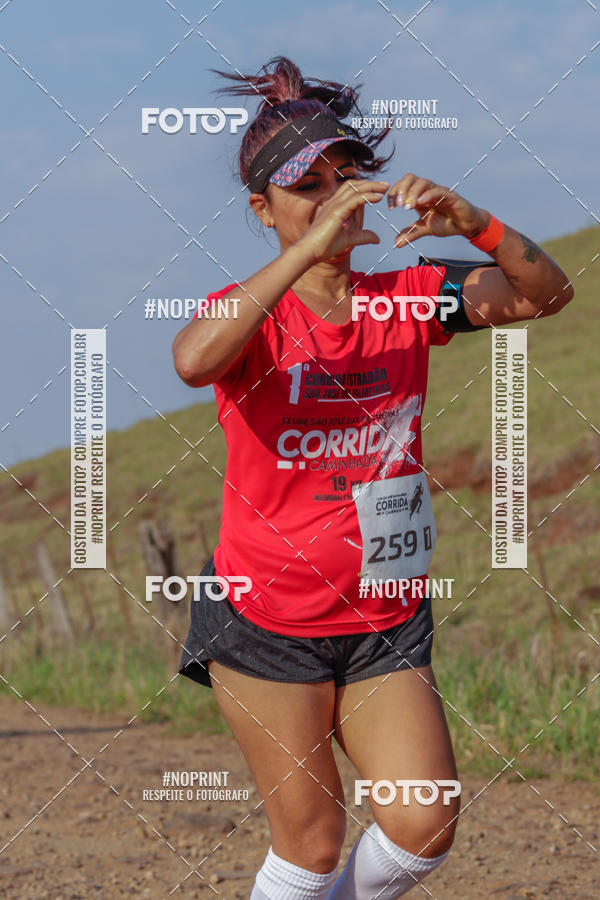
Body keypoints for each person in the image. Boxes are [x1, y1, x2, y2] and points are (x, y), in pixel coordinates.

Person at [173, 56, 573, 900]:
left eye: (344, 174)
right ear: (262, 210)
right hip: (267, 617)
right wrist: (310, 253)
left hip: (383, 610)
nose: (333, 195)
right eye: (304, 186)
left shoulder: (409, 299)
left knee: (424, 822)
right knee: (312, 845)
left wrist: (476, 222)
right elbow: (192, 359)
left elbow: (547, 295)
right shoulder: (251, 316)